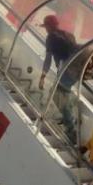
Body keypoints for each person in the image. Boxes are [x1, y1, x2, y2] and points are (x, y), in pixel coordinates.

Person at [38, 14, 78, 142]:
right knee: (62, 93)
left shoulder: (51, 38)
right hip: (76, 70)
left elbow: (48, 59)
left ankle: (71, 128)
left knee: (56, 95)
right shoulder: (68, 35)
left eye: (46, 26)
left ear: (49, 26)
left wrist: (43, 76)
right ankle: (69, 112)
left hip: (68, 70)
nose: (46, 29)